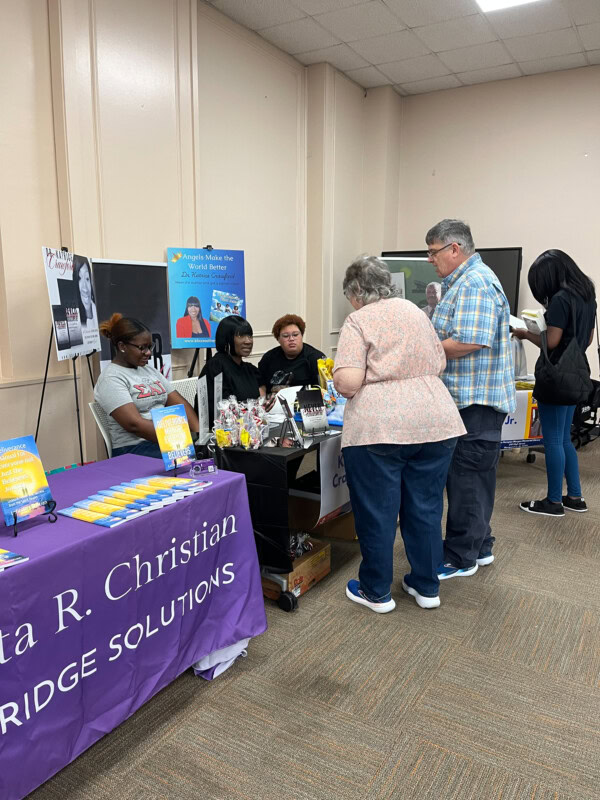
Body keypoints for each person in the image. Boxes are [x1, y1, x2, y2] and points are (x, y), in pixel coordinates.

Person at [333, 256, 466, 613]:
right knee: (426, 506)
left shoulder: (358, 320)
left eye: (350, 295)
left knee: (377, 511)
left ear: (358, 291)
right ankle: (426, 586)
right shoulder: (415, 311)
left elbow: (347, 383)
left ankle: (376, 591)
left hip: (380, 429)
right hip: (435, 421)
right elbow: (439, 361)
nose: (351, 302)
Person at [426, 219, 516, 579]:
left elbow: (467, 340)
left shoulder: (475, 283)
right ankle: (481, 545)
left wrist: (424, 349)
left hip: (474, 405)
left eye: (433, 252)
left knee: (467, 482)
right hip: (469, 402)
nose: (430, 259)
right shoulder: (464, 282)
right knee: (475, 480)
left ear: (454, 249)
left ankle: (461, 556)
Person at [512, 250, 596, 516]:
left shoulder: (561, 299)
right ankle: (575, 496)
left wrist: (526, 334)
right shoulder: (587, 297)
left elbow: (551, 343)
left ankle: (553, 502)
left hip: (555, 378)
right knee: (564, 440)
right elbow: (588, 340)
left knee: (552, 441)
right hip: (576, 376)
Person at [94, 313, 198, 458]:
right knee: (197, 460)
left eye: (150, 346)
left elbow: (180, 403)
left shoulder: (149, 370)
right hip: (134, 449)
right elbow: (134, 425)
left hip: (164, 441)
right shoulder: (111, 378)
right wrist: (176, 441)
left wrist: (201, 437)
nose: (148, 353)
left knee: (215, 452)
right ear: (122, 346)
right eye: (142, 347)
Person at [200, 315, 268, 420]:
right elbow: (218, 410)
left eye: (250, 336)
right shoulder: (216, 367)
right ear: (226, 338)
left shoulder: (250, 369)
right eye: (241, 336)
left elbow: (261, 395)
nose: (248, 341)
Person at [258, 314, 325, 393]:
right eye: (286, 336)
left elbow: (322, 390)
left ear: (301, 336)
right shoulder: (269, 358)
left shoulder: (316, 358)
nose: (291, 339)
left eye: (295, 335)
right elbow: (260, 385)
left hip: (306, 403)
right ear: (278, 339)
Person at [73, 256, 97, 330]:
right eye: (79, 279)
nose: (85, 288)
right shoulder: (76, 322)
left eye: (87, 278)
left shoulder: (99, 311)